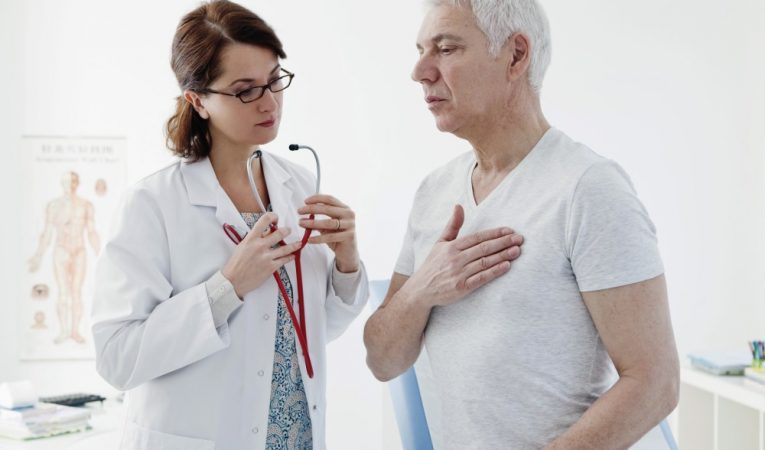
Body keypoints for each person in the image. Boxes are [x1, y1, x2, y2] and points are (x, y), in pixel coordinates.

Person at [364, 1, 679, 448]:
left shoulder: (588, 188)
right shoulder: (434, 191)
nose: (419, 71)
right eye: (420, 51)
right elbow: (382, 361)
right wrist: (422, 289)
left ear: (515, 56)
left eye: (446, 49)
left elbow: (656, 383)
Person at [91, 1, 368, 449]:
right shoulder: (152, 204)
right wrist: (227, 288)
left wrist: (347, 262)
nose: (270, 102)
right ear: (198, 100)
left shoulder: (298, 185)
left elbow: (312, 333)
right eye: (245, 90)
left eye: (274, 80)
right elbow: (116, 358)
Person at [29, 171, 100, 344]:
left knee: (76, 292)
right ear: (62, 184)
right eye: (67, 182)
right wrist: (38, 256)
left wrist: (101, 255)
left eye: (73, 181)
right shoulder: (53, 205)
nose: (70, 185)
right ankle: (64, 331)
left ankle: (75, 331)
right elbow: (47, 233)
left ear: (77, 183)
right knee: (63, 292)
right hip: (61, 250)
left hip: (79, 251)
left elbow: (92, 232)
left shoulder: (86, 205)